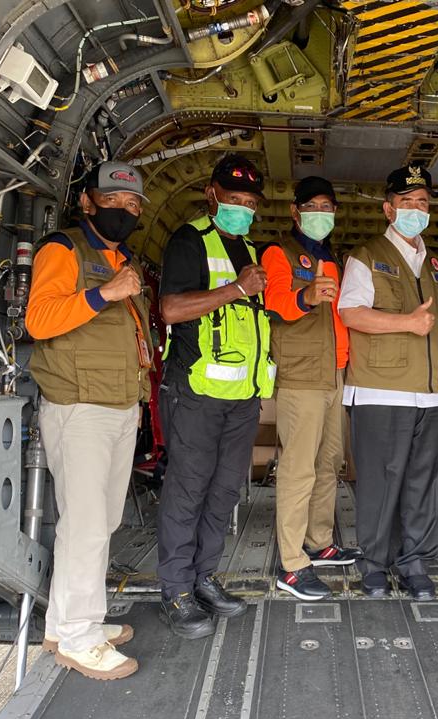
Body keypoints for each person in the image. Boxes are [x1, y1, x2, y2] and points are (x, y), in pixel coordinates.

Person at [26, 161, 152, 680]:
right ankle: (80, 636)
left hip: (119, 403)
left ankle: (67, 623)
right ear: (87, 201)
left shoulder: (122, 258)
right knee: (86, 526)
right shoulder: (64, 248)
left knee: (100, 523)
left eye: (133, 204)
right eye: (113, 200)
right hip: (80, 406)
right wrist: (106, 293)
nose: (124, 210)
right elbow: (40, 319)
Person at [156, 154, 275, 639]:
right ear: (212, 194)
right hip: (194, 393)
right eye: (233, 200)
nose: (242, 209)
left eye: (249, 203)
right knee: (188, 490)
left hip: (241, 398)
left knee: (224, 492)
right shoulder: (190, 241)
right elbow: (170, 309)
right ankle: (176, 590)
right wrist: (234, 289)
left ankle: (204, 577)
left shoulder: (249, 248)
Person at [338, 165, 438, 601]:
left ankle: (414, 562)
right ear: (389, 209)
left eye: (422, 203)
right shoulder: (366, 256)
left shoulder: (434, 262)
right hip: (381, 390)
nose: (416, 210)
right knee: (381, 480)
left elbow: (437, 323)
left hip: (430, 393)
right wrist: (408, 323)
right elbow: (352, 314)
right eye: (407, 203)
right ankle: (373, 563)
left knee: (424, 480)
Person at [261, 176, 361, 600]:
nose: (322, 215)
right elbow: (275, 302)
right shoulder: (278, 252)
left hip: (336, 374)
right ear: (296, 211)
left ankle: (319, 542)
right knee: (298, 467)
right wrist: (306, 296)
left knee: (329, 461)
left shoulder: (334, 260)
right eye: (313, 207)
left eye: (328, 207)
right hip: (302, 374)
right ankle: (291, 562)